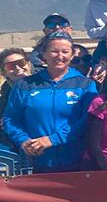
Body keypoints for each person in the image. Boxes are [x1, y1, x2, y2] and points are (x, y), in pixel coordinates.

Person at [2, 31, 98, 173]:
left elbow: (88, 120)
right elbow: (10, 119)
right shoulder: (25, 85)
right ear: (44, 54)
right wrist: (23, 140)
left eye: (65, 52)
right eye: (54, 51)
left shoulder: (85, 85)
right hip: (36, 163)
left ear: (72, 55)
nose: (60, 56)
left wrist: (52, 140)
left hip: (78, 163)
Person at [0, 48, 34, 173]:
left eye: (21, 63)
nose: (18, 68)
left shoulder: (48, 86)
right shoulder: (4, 97)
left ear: (29, 64)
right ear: (3, 72)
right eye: (11, 66)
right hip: (16, 150)